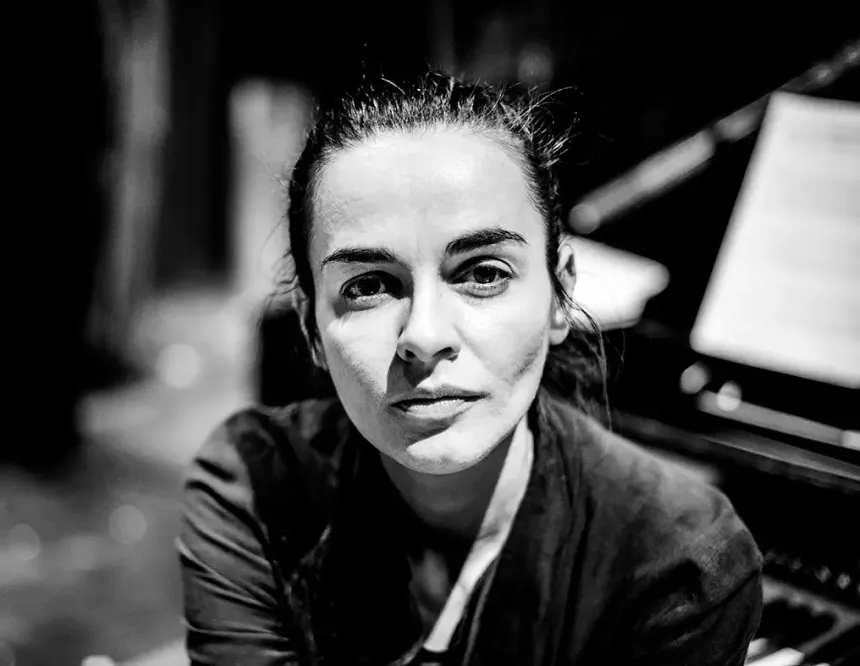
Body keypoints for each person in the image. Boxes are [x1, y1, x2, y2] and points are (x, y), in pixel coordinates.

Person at [178, 70, 762, 665]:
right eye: (369, 285)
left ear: (559, 296)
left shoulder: (682, 563)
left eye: (484, 273)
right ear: (310, 328)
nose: (425, 336)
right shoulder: (253, 487)